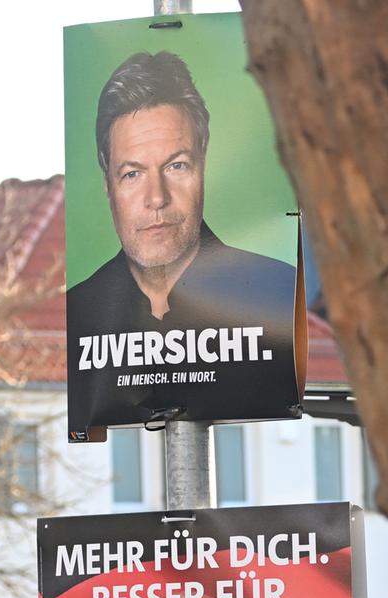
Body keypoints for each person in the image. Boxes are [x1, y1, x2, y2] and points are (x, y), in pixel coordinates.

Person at [66, 49, 299, 435]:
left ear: (204, 163)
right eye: (132, 174)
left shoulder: (277, 293)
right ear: (107, 181)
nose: (156, 198)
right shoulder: (77, 313)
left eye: (176, 165)